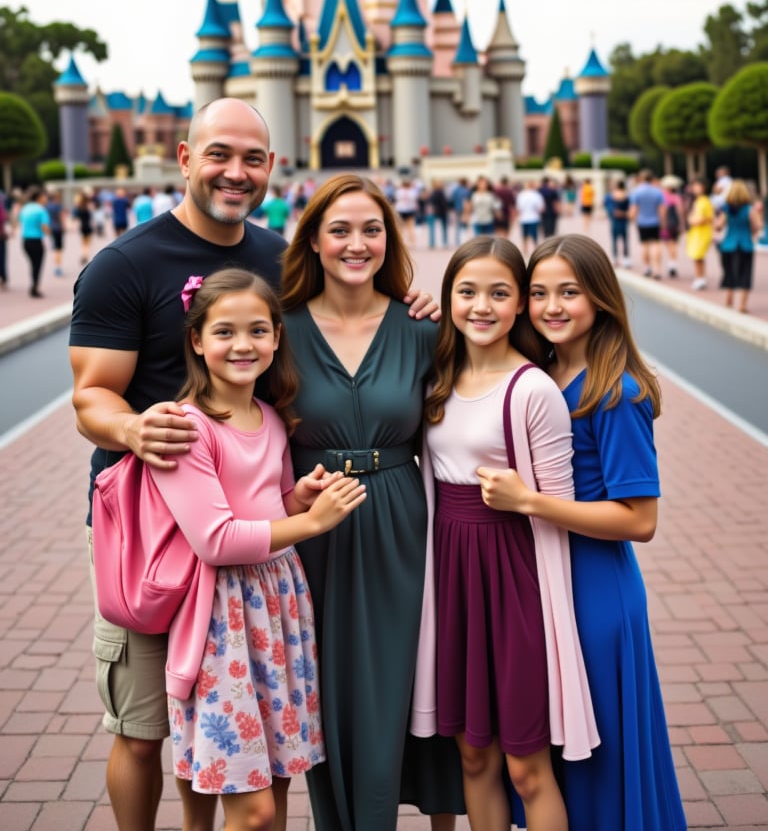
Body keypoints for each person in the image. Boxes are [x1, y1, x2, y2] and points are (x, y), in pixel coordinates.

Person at [70, 98, 435, 831]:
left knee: (251, 734)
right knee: (145, 730)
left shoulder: (278, 259)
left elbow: (343, 318)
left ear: (271, 168)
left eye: (252, 158)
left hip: (256, 536)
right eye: (219, 155)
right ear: (184, 158)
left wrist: (410, 300)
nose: (235, 173)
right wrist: (141, 430)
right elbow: (91, 396)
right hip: (156, 539)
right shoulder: (125, 264)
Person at [280, 174, 465, 831]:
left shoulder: (422, 331)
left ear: (389, 239)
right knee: (328, 688)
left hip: (401, 528)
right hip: (315, 529)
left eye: (371, 230)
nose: (356, 244)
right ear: (314, 242)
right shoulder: (280, 332)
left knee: (405, 681)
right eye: (340, 230)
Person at [151, 268, 366, 830]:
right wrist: (312, 524)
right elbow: (218, 540)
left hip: (278, 611)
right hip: (221, 618)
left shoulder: (269, 417)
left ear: (276, 337)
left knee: (274, 779)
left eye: (257, 331)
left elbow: (266, 504)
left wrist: (299, 498)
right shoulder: (188, 429)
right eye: (224, 332)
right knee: (254, 811)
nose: (242, 345)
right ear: (197, 340)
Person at [496, 234, 686, 831]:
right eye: (539, 293)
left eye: (569, 292)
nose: (552, 306)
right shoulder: (544, 372)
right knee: (557, 747)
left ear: (600, 298)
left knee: (597, 750)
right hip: (547, 580)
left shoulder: (616, 392)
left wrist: (532, 503)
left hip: (596, 590)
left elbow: (640, 519)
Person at [420, 237, 598, 831]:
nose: (482, 306)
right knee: (473, 754)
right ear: (448, 298)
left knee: (526, 763)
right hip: (451, 576)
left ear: (520, 303)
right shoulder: (437, 378)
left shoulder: (532, 390)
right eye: (467, 292)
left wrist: (524, 499)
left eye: (499, 293)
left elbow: (560, 506)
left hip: (513, 578)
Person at [715, 179, 763, 313]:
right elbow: (758, 226)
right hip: (745, 245)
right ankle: (742, 305)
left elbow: (718, 226)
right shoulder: (749, 209)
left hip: (728, 245)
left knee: (729, 273)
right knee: (744, 274)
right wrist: (752, 231)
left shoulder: (726, 209)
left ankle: (728, 300)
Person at [628, 169, 664, 279]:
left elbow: (633, 210)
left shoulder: (636, 192)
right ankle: (656, 269)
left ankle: (647, 267)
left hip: (642, 222)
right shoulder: (657, 191)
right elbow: (662, 209)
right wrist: (662, 221)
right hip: (655, 222)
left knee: (644, 245)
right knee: (656, 244)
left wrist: (633, 220)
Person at [19, 185, 50, 297]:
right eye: (44, 196)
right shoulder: (41, 209)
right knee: (37, 265)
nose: (46, 198)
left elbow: (20, 221)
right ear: (39, 197)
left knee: (32, 264)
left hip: (26, 240)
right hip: (36, 240)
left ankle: (34, 285)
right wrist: (49, 233)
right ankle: (35, 287)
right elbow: (45, 227)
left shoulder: (25, 208)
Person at [685, 177, 714, 290]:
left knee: (698, 256)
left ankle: (700, 278)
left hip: (702, 232)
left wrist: (691, 220)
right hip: (696, 233)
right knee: (697, 257)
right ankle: (700, 277)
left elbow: (706, 218)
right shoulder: (698, 200)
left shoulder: (705, 201)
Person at [603, 178, 631, 268]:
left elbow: (608, 208)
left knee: (615, 239)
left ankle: (616, 257)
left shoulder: (610, 196)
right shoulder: (626, 195)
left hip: (616, 220)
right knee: (624, 239)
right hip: (623, 220)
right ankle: (625, 258)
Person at [659, 175, 683, 278]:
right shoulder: (677, 197)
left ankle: (671, 265)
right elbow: (680, 211)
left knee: (669, 244)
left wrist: (662, 223)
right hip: (675, 222)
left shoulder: (663, 196)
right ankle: (673, 264)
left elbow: (663, 211)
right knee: (674, 244)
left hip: (667, 222)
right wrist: (681, 223)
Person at [515, 180, 545, 258]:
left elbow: (519, 207)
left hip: (523, 218)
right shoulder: (537, 195)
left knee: (524, 235)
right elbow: (541, 208)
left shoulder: (521, 195)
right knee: (534, 234)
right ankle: (535, 248)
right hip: (534, 217)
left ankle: (525, 249)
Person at [45, 188, 67, 275]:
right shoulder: (58, 205)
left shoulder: (48, 206)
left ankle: (56, 266)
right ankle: (58, 266)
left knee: (54, 247)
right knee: (59, 248)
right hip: (58, 228)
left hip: (51, 228)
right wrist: (64, 226)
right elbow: (61, 217)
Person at [72, 189, 94, 265]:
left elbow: (75, 218)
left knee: (83, 243)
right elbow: (92, 216)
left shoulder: (78, 207)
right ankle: (86, 256)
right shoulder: (88, 206)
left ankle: (83, 254)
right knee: (88, 243)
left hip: (82, 226)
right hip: (88, 225)